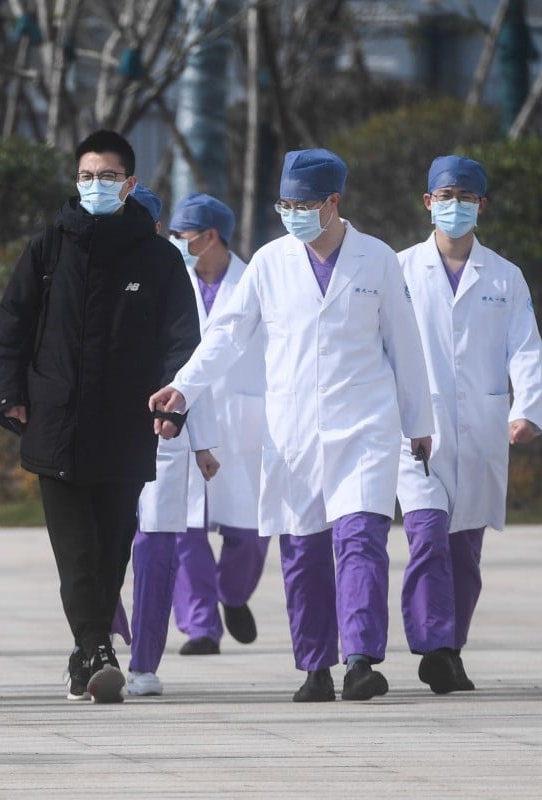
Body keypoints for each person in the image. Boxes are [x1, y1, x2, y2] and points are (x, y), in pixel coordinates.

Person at [150, 148, 435, 703]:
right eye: (286, 203)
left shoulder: (377, 259)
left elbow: (405, 344)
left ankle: (360, 661)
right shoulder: (270, 262)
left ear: (334, 202)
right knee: (302, 550)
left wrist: (418, 422)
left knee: (361, 540)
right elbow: (228, 335)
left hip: (366, 424)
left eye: (305, 204)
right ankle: (315, 667)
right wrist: (184, 386)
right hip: (295, 429)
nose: (294, 213)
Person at [0, 130, 201, 704]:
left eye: (108, 177)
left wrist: (174, 401)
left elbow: (184, 341)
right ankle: (101, 649)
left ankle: (85, 653)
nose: (95, 185)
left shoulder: (158, 258)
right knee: (75, 549)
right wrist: (7, 394)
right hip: (55, 421)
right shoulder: (48, 248)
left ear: (130, 184)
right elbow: (11, 328)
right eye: (86, 176)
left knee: (111, 548)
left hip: (127, 426)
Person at [395, 155, 542, 694]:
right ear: (428, 201)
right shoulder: (400, 269)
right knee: (428, 536)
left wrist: (525, 409)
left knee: (464, 553)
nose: (453, 206)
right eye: (444, 196)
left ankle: (451, 649)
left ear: (482, 205)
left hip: (481, 429)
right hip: (418, 429)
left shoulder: (505, 277)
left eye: (466, 197)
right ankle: (433, 645)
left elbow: (524, 347)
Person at [109, 185, 221, 698]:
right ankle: (101, 641)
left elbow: (200, 367)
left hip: (163, 429)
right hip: (98, 433)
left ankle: (145, 663)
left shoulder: (183, 282)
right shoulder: (81, 269)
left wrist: (203, 440)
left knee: (155, 544)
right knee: (98, 543)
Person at [165, 194, 270, 659]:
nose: (175, 243)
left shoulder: (256, 283)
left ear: (210, 237)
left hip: (242, 421)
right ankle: (200, 626)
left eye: (181, 236)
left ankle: (233, 593)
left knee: (247, 532)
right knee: (186, 528)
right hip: (183, 418)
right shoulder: (171, 282)